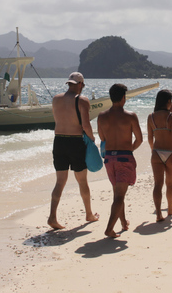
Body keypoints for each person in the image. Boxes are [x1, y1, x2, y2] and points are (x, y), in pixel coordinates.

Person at [48, 72, 99, 230]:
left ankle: (52, 216)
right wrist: (92, 139)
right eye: (82, 85)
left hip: (59, 141)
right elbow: (85, 125)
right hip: (75, 142)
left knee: (60, 181)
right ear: (80, 84)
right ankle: (89, 214)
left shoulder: (56, 99)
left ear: (69, 83)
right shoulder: (82, 100)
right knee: (82, 180)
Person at [97, 83, 143, 238]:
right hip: (124, 157)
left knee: (118, 193)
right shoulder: (130, 116)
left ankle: (123, 222)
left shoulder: (101, 116)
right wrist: (130, 149)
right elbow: (139, 139)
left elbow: (102, 138)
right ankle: (109, 228)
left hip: (110, 158)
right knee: (119, 196)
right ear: (124, 97)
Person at [147, 89, 172, 222]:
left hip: (156, 152)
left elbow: (150, 138)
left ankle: (159, 213)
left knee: (157, 184)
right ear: (168, 102)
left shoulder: (151, 117)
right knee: (170, 183)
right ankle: (170, 208)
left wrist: (153, 150)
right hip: (171, 152)